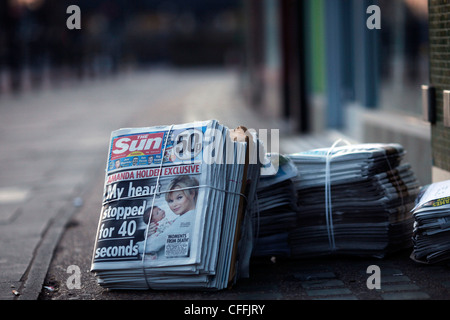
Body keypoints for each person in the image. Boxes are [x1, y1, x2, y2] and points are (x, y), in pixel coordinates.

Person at [139, 175, 199, 259]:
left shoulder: (188, 218)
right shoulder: (181, 219)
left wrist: (132, 247)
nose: (174, 204)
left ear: (192, 193)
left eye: (179, 197)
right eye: (170, 201)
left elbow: (153, 245)